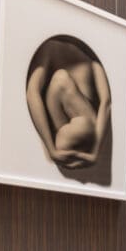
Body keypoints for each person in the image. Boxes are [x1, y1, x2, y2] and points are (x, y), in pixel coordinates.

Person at [26, 36, 111, 170]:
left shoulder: (49, 47)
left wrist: (51, 149)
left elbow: (32, 92)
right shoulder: (94, 61)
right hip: (88, 129)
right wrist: (95, 152)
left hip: (68, 132)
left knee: (60, 78)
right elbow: (106, 103)